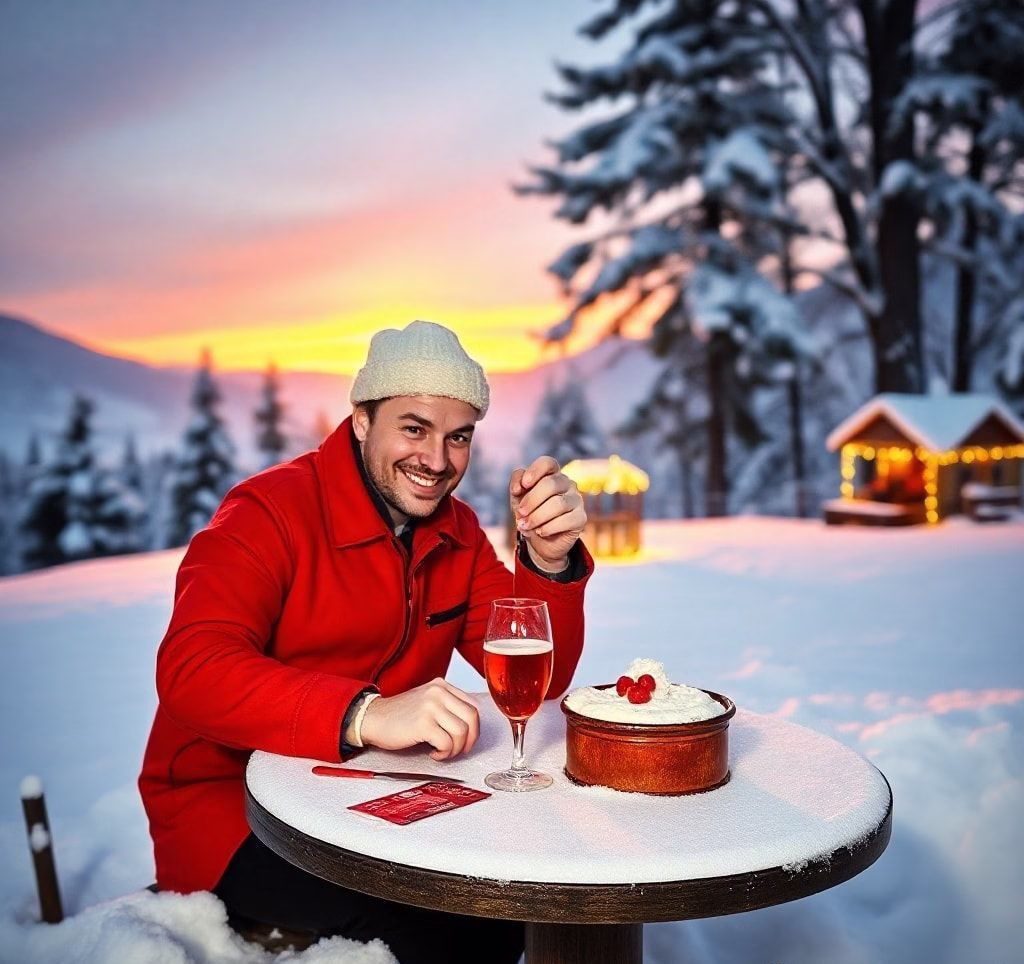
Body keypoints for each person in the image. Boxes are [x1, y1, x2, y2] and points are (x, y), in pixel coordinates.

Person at [139, 320, 593, 963]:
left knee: (516, 893)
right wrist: (365, 712)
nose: (437, 460)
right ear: (361, 419)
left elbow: (539, 677)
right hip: (231, 812)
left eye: (457, 436)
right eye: (414, 428)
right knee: (457, 929)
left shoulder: (457, 532)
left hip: (368, 794)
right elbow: (192, 670)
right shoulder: (267, 513)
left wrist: (547, 564)